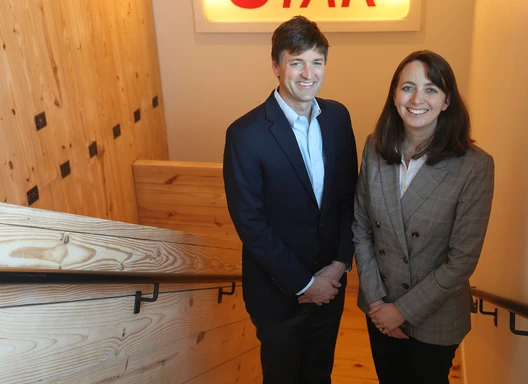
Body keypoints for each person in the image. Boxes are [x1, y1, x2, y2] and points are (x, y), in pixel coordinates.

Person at [223, 15, 357, 384]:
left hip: (330, 288)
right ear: (275, 65)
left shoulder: (338, 118)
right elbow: (251, 224)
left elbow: (349, 198)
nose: (307, 73)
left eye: (317, 62)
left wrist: (339, 265)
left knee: (319, 375)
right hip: (279, 294)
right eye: (296, 61)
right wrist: (304, 283)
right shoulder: (245, 134)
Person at [352, 50, 494, 384]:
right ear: (394, 94)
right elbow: (360, 227)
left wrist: (399, 311)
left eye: (431, 89)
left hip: (436, 317)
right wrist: (376, 302)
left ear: (447, 101)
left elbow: (462, 260)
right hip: (379, 308)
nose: (417, 99)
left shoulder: (474, 165)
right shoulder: (374, 147)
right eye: (408, 88)